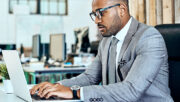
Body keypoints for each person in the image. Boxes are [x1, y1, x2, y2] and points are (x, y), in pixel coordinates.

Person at [30, 0, 174, 101]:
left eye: (101, 13)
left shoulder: (149, 38)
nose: (96, 21)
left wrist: (74, 93)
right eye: (94, 14)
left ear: (122, 10)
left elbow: (131, 90)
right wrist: (56, 86)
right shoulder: (106, 41)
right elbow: (89, 78)